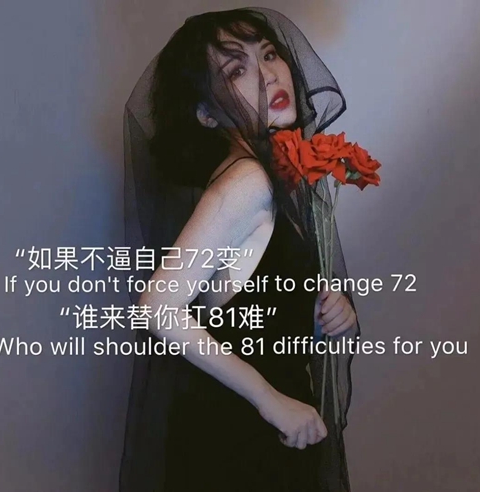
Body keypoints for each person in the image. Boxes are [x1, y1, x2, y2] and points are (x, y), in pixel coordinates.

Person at [120, 7, 361, 492]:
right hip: (240, 438)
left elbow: (247, 311)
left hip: (265, 428)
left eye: (269, 54)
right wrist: (270, 400)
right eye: (236, 69)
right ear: (206, 113)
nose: (269, 74)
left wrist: (324, 315)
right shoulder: (246, 182)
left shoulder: (264, 177)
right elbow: (156, 309)